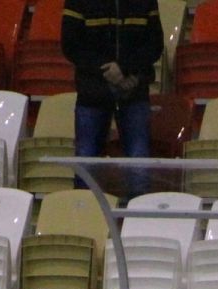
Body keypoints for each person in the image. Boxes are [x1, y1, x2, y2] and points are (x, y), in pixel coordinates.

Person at [60, 0, 163, 181]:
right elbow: (71, 45)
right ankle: (85, 207)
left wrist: (124, 69)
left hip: (134, 90)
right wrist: (109, 72)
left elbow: (154, 44)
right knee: (86, 161)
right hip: (92, 91)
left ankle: (138, 207)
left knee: (138, 161)